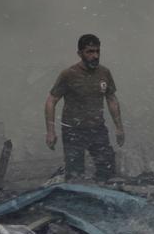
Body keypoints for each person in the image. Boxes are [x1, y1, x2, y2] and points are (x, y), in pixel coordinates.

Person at [44, 34, 124, 181]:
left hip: (97, 128)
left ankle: (103, 190)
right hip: (73, 131)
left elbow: (111, 98)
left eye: (97, 51)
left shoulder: (104, 73)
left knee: (107, 169)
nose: (95, 56)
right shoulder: (69, 74)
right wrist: (50, 131)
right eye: (90, 52)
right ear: (80, 53)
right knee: (75, 174)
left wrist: (119, 127)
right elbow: (51, 100)